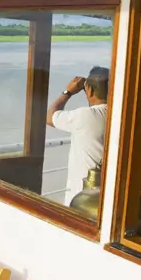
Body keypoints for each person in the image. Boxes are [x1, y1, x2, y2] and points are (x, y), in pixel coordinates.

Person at [47, 66, 109, 205]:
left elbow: (50, 118)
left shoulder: (85, 116)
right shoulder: (120, 115)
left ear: (90, 90)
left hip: (83, 196)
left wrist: (68, 92)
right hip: (109, 192)